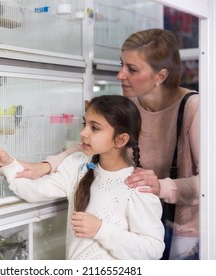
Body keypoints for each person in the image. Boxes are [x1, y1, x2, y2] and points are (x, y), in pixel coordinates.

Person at [15, 28, 200, 260]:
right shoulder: (130, 104)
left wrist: (161, 187)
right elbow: (89, 146)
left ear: (160, 76)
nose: (120, 75)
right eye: (121, 64)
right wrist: (46, 166)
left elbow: (210, 183)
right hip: (135, 225)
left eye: (131, 69)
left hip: (185, 235)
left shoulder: (195, 108)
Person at [0, 95, 165, 260]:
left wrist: (101, 229)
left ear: (121, 140)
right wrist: (6, 163)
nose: (83, 133)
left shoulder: (138, 185)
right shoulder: (78, 165)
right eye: (85, 125)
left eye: (95, 128)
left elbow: (153, 250)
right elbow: (35, 191)